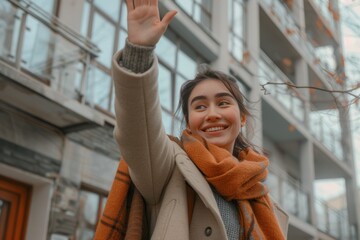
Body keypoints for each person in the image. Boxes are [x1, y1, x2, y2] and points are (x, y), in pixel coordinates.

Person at [94, 0, 288, 239]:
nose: (212, 113)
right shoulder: (167, 168)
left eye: (224, 102)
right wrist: (139, 52)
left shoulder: (263, 198)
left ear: (243, 118)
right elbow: (138, 130)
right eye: (200, 106)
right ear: (188, 122)